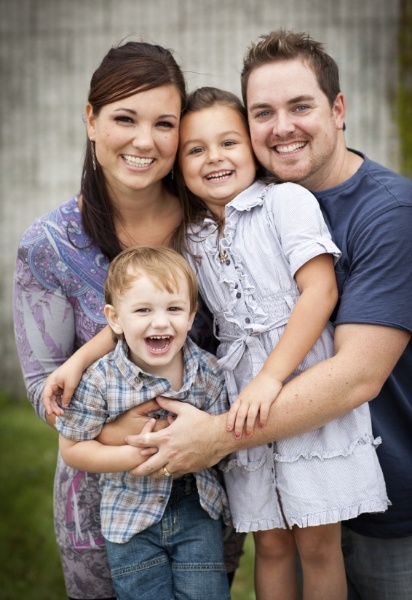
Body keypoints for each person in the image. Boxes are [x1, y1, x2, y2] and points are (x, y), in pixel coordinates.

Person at [127, 30, 412, 600]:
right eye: (265, 112)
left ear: (338, 109)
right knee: (275, 547)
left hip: (385, 494)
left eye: (300, 106)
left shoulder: (369, 210)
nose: (282, 127)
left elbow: (353, 364)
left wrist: (226, 425)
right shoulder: (202, 232)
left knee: (322, 554)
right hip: (253, 416)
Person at [13, 40, 243, 600]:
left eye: (164, 123)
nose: (145, 141)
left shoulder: (214, 226)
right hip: (99, 510)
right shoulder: (49, 245)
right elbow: (49, 387)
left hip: (205, 499)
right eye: (124, 118)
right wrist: (135, 437)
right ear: (91, 121)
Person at [176, 86, 389, 600]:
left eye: (228, 141)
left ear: (252, 146)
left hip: (302, 381)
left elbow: (321, 290)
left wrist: (271, 377)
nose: (215, 158)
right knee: (269, 545)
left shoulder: (284, 202)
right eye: (195, 149)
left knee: (318, 545)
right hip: (241, 396)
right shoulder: (191, 234)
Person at [55, 245, 231, 600]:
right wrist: (137, 457)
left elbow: (221, 446)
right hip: (128, 517)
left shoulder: (209, 374)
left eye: (174, 309)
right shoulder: (101, 379)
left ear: (192, 313)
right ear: (115, 318)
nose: (161, 321)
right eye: (143, 310)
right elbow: (73, 447)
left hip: (197, 510)